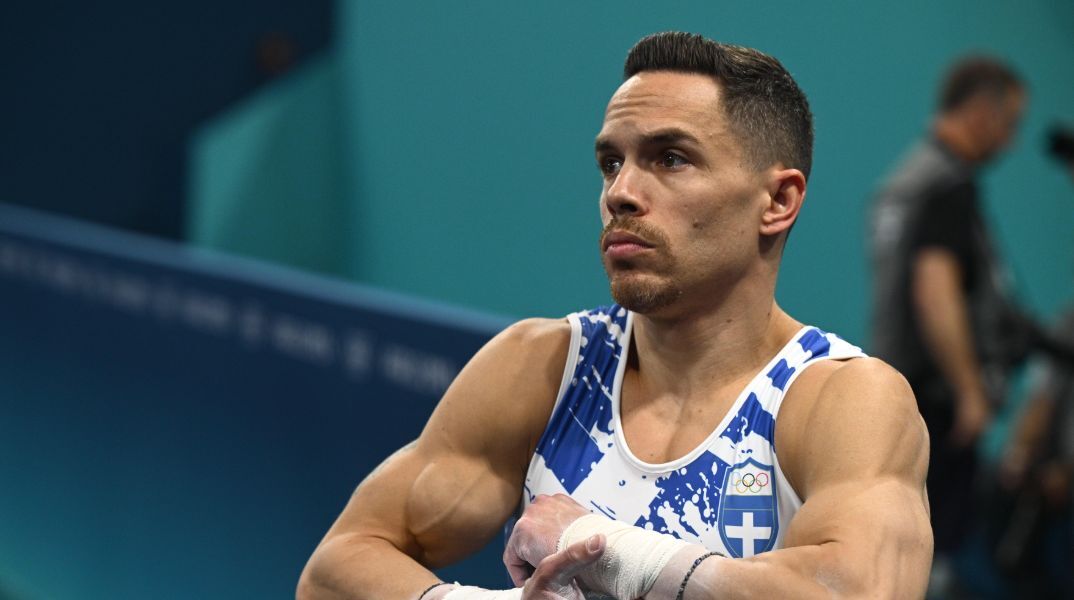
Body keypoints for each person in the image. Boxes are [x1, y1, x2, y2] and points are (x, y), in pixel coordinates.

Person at [299, 32, 932, 600]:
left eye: (671, 158)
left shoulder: (838, 400)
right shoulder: (544, 369)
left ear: (778, 201)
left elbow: (862, 593)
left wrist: (600, 547)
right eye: (611, 162)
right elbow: (333, 571)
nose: (620, 192)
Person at [867, 56, 1026, 584]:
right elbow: (935, 290)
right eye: (1009, 123)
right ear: (980, 112)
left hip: (902, 390)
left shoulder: (905, 182)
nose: (1010, 142)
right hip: (937, 403)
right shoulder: (947, 187)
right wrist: (970, 391)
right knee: (933, 556)